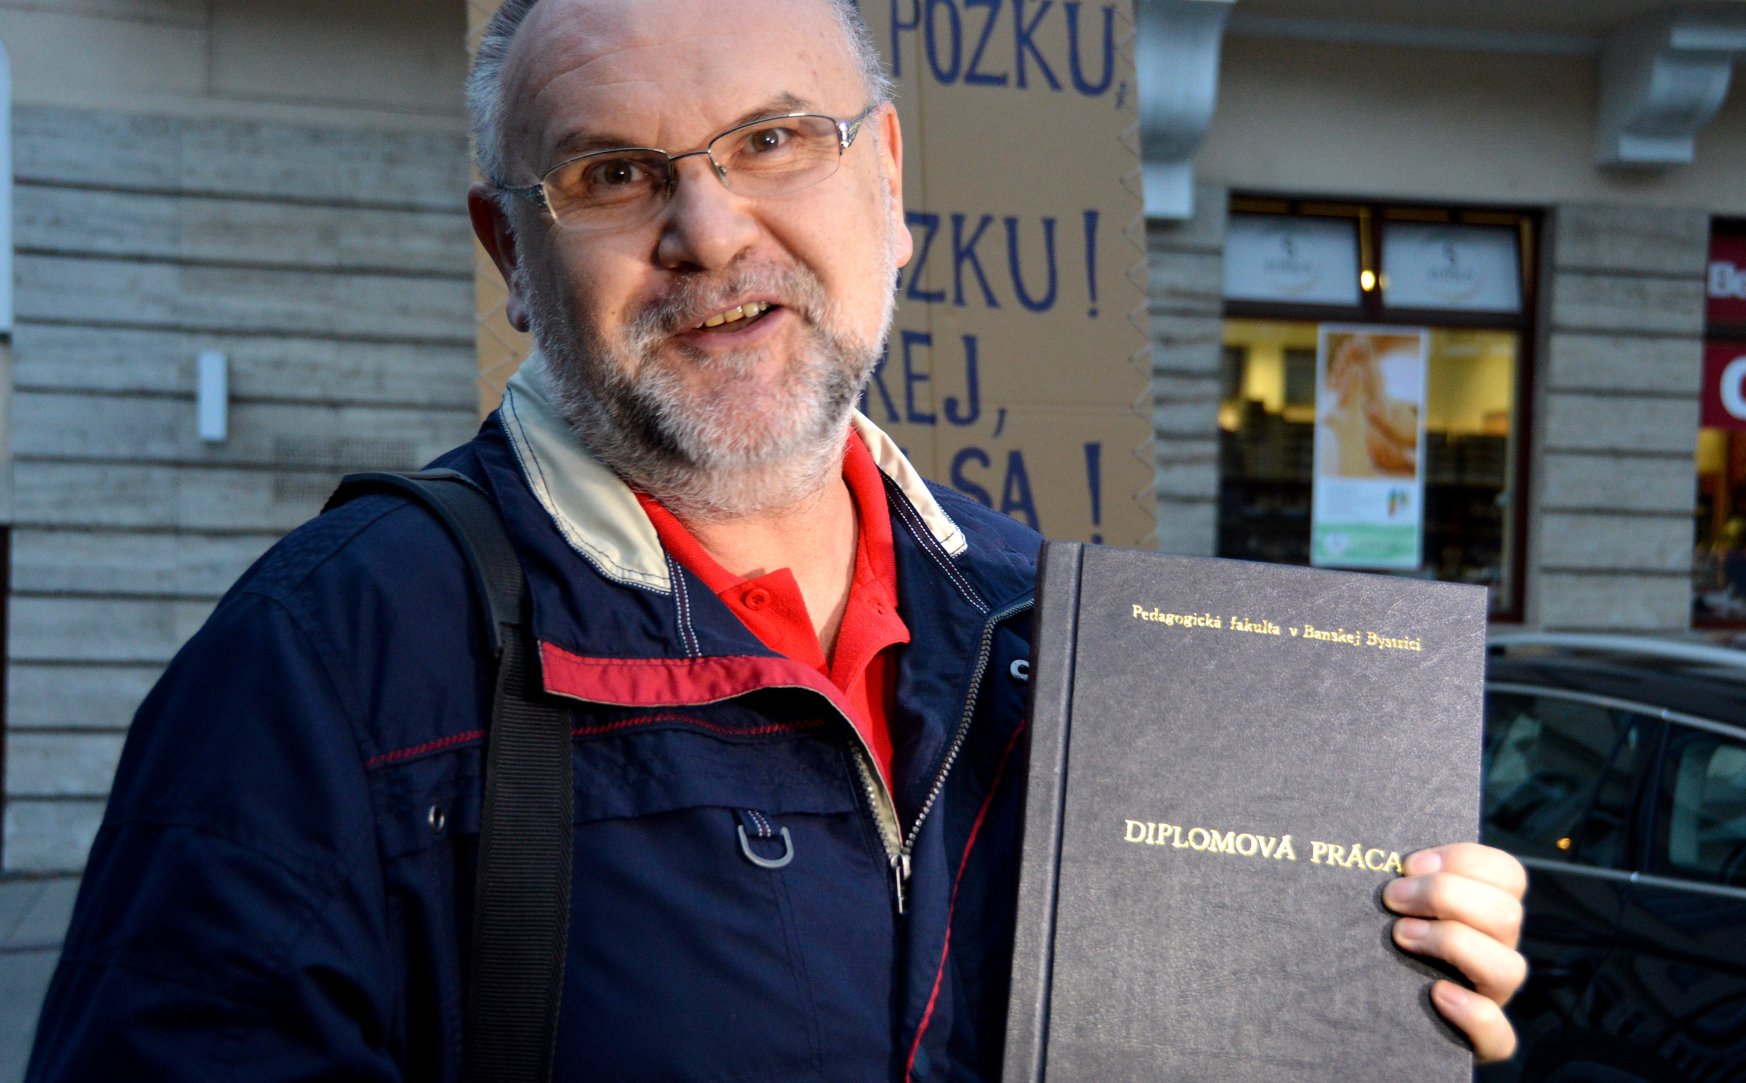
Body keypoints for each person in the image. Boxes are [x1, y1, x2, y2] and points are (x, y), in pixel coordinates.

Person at [25, 0, 1529, 1078]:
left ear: (889, 187)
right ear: (510, 254)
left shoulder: (1054, 633)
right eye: (614, 174)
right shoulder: (320, 667)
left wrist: (1367, 975)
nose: (710, 230)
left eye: (772, 140)